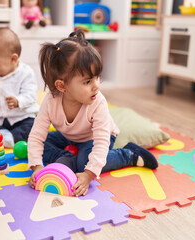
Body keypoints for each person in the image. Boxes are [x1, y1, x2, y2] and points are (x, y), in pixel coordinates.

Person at [27, 30, 158, 197]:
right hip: (70, 136)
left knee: (84, 163)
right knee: (41, 145)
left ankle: (129, 155)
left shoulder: (98, 102)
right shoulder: (50, 101)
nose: (96, 86)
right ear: (62, 87)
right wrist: (37, 168)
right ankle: (67, 157)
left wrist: (88, 175)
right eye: (87, 81)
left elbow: (102, 141)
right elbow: (37, 136)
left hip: (95, 137)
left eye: (97, 77)